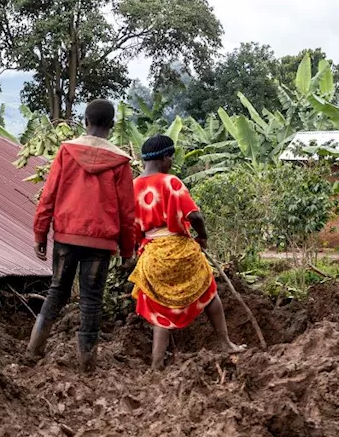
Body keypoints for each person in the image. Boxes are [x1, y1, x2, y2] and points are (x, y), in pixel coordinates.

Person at [28, 99, 137, 371]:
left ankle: (33, 350)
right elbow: (127, 211)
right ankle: (87, 363)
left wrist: (40, 234)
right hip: (100, 244)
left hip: (66, 236)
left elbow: (49, 196)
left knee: (56, 292)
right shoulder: (120, 161)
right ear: (111, 125)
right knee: (91, 300)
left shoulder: (67, 151)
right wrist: (127, 251)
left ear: (85, 121)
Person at [127, 135, 246, 370]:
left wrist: (132, 251)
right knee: (209, 292)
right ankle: (225, 343)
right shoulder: (171, 182)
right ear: (164, 157)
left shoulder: (131, 187)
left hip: (152, 254)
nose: (171, 162)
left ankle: (156, 364)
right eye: (171, 157)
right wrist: (202, 237)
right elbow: (195, 215)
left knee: (160, 308)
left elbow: (130, 227)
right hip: (181, 250)